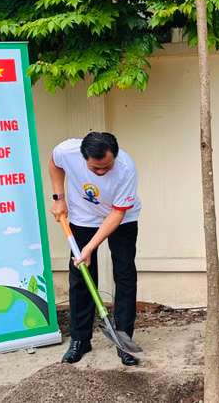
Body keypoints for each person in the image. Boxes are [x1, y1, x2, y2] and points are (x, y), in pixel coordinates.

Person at [48, 132, 142, 366]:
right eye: (95, 168)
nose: (101, 172)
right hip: (83, 218)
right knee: (81, 275)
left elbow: (117, 213)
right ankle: (80, 339)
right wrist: (58, 197)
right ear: (83, 157)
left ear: (115, 156)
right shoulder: (67, 151)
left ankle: (124, 341)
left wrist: (89, 247)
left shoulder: (126, 168)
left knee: (124, 274)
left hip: (122, 219)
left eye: (106, 167)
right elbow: (54, 162)